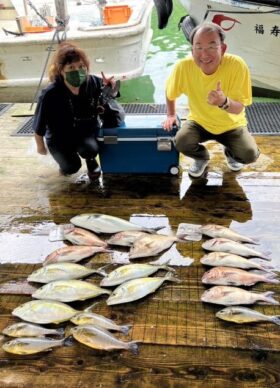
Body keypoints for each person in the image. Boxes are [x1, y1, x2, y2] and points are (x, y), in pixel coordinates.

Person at [162, 22, 260, 178]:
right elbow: (170, 91)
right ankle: (201, 157)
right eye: (199, 47)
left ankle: (231, 153)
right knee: (181, 141)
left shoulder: (237, 65)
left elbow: (239, 107)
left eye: (212, 47)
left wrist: (224, 102)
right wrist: (171, 115)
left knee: (249, 154)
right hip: (199, 122)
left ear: (223, 48)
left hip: (231, 124)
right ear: (192, 50)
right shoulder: (184, 67)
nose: (204, 54)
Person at [33, 41, 122, 181]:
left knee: (91, 149)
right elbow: (39, 125)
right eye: (71, 67)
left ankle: (91, 160)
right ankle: (65, 165)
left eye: (81, 66)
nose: (78, 71)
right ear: (61, 70)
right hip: (59, 137)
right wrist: (40, 147)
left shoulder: (93, 82)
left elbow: (112, 94)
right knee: (71, 168)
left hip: (85, 131)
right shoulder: (50, 94)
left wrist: (111, 86)